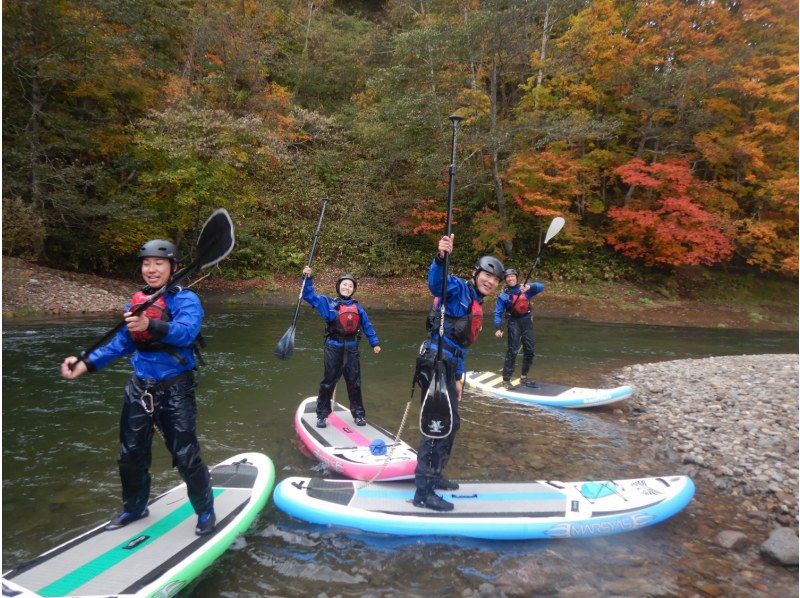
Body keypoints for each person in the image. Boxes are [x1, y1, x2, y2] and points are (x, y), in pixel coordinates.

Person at [60, 240, 216, 536]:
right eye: (146, 263)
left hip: (175, 389)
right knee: (130, 453)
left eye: (159, 263)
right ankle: (135, 507)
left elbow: (186, 333)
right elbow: (120, 343)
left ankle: (205, 510)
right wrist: (85, 364)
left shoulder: (186, 300)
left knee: (185, 454)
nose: (151, 269)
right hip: (140, 389)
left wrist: (150, 325)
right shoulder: (136, 303)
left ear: (173, 267)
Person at [412, 234, 504, 511]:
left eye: (495, 280)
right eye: (487, 275)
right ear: (476, 273)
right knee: (436, 425)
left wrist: (459, 377)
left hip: (449, 366)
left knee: (451, 424)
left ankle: (435, 475)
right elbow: (435, 282)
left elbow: (461, 346)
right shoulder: (457, 289)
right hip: (434, 361)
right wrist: (441, 257)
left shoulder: (476, 302)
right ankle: (423, 492)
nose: (490, 282)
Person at [301, 265, 381, 428]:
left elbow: (367, 325)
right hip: (333, 346)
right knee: (328, 382)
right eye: (344, 284)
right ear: (338, 286)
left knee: (354, 382)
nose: (347, 287)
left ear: (353, 290)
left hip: (351, 347)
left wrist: (374, 342)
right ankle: (322, 415)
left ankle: (358, 415)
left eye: (350, 286)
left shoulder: (358, 307)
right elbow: (308, 296)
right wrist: (307, 278)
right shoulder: (327, 303)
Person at [493, 268, 545, 389]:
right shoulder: (504, 295)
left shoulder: (525, 289)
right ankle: (506, 380)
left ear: (516, 277)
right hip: (513, 323)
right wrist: (498, 327)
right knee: (512, 351)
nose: (510, 278)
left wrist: (530, 286)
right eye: (508, 277)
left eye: (512, 276)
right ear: (505, 280)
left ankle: (524, 377)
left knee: (530, 351)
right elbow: (497, 313)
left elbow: (541, 287)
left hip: (527, 321)